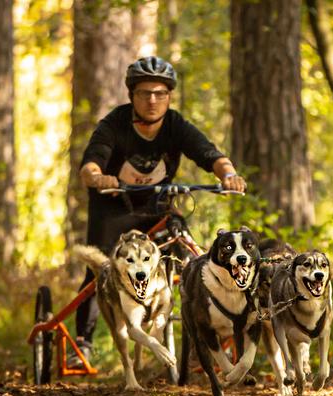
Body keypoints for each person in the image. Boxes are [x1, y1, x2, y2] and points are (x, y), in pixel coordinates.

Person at [70, 56, 247, 366]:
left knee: (195, 260)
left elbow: (210, 154)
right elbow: (90, 164)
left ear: (169, 96)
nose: (152, 100)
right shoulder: (114, 124)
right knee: (99, 267)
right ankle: (82, 342)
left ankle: (210, 332)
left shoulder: (176, 125)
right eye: (144, 93)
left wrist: (228, 175)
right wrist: (98, 177)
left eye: (160, 94)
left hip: (158, 207)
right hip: (113, 209)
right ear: (132, 96)